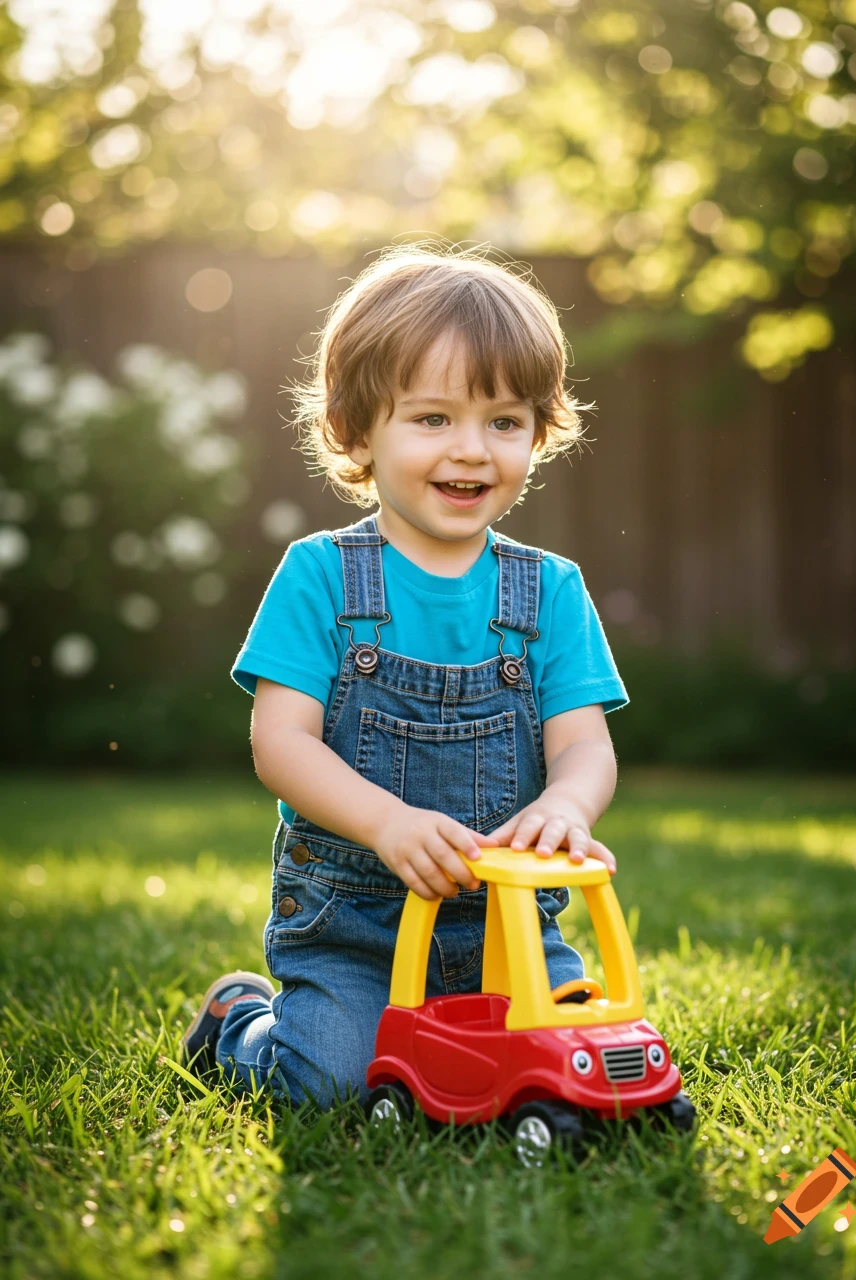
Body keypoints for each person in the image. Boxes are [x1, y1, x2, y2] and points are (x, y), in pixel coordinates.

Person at [180, 241, 629, 1109]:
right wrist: (386, 824)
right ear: (355, 429)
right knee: (330, 1086)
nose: (472, 450)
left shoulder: (552, 592)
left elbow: (585, 745)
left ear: (539, 430)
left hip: (510, 935)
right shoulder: (320, 577)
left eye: (504, 421)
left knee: (583, 1066)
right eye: (432, 419)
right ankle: (240, 1022)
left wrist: (566, 806)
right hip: (356, 929)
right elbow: (281, 744)